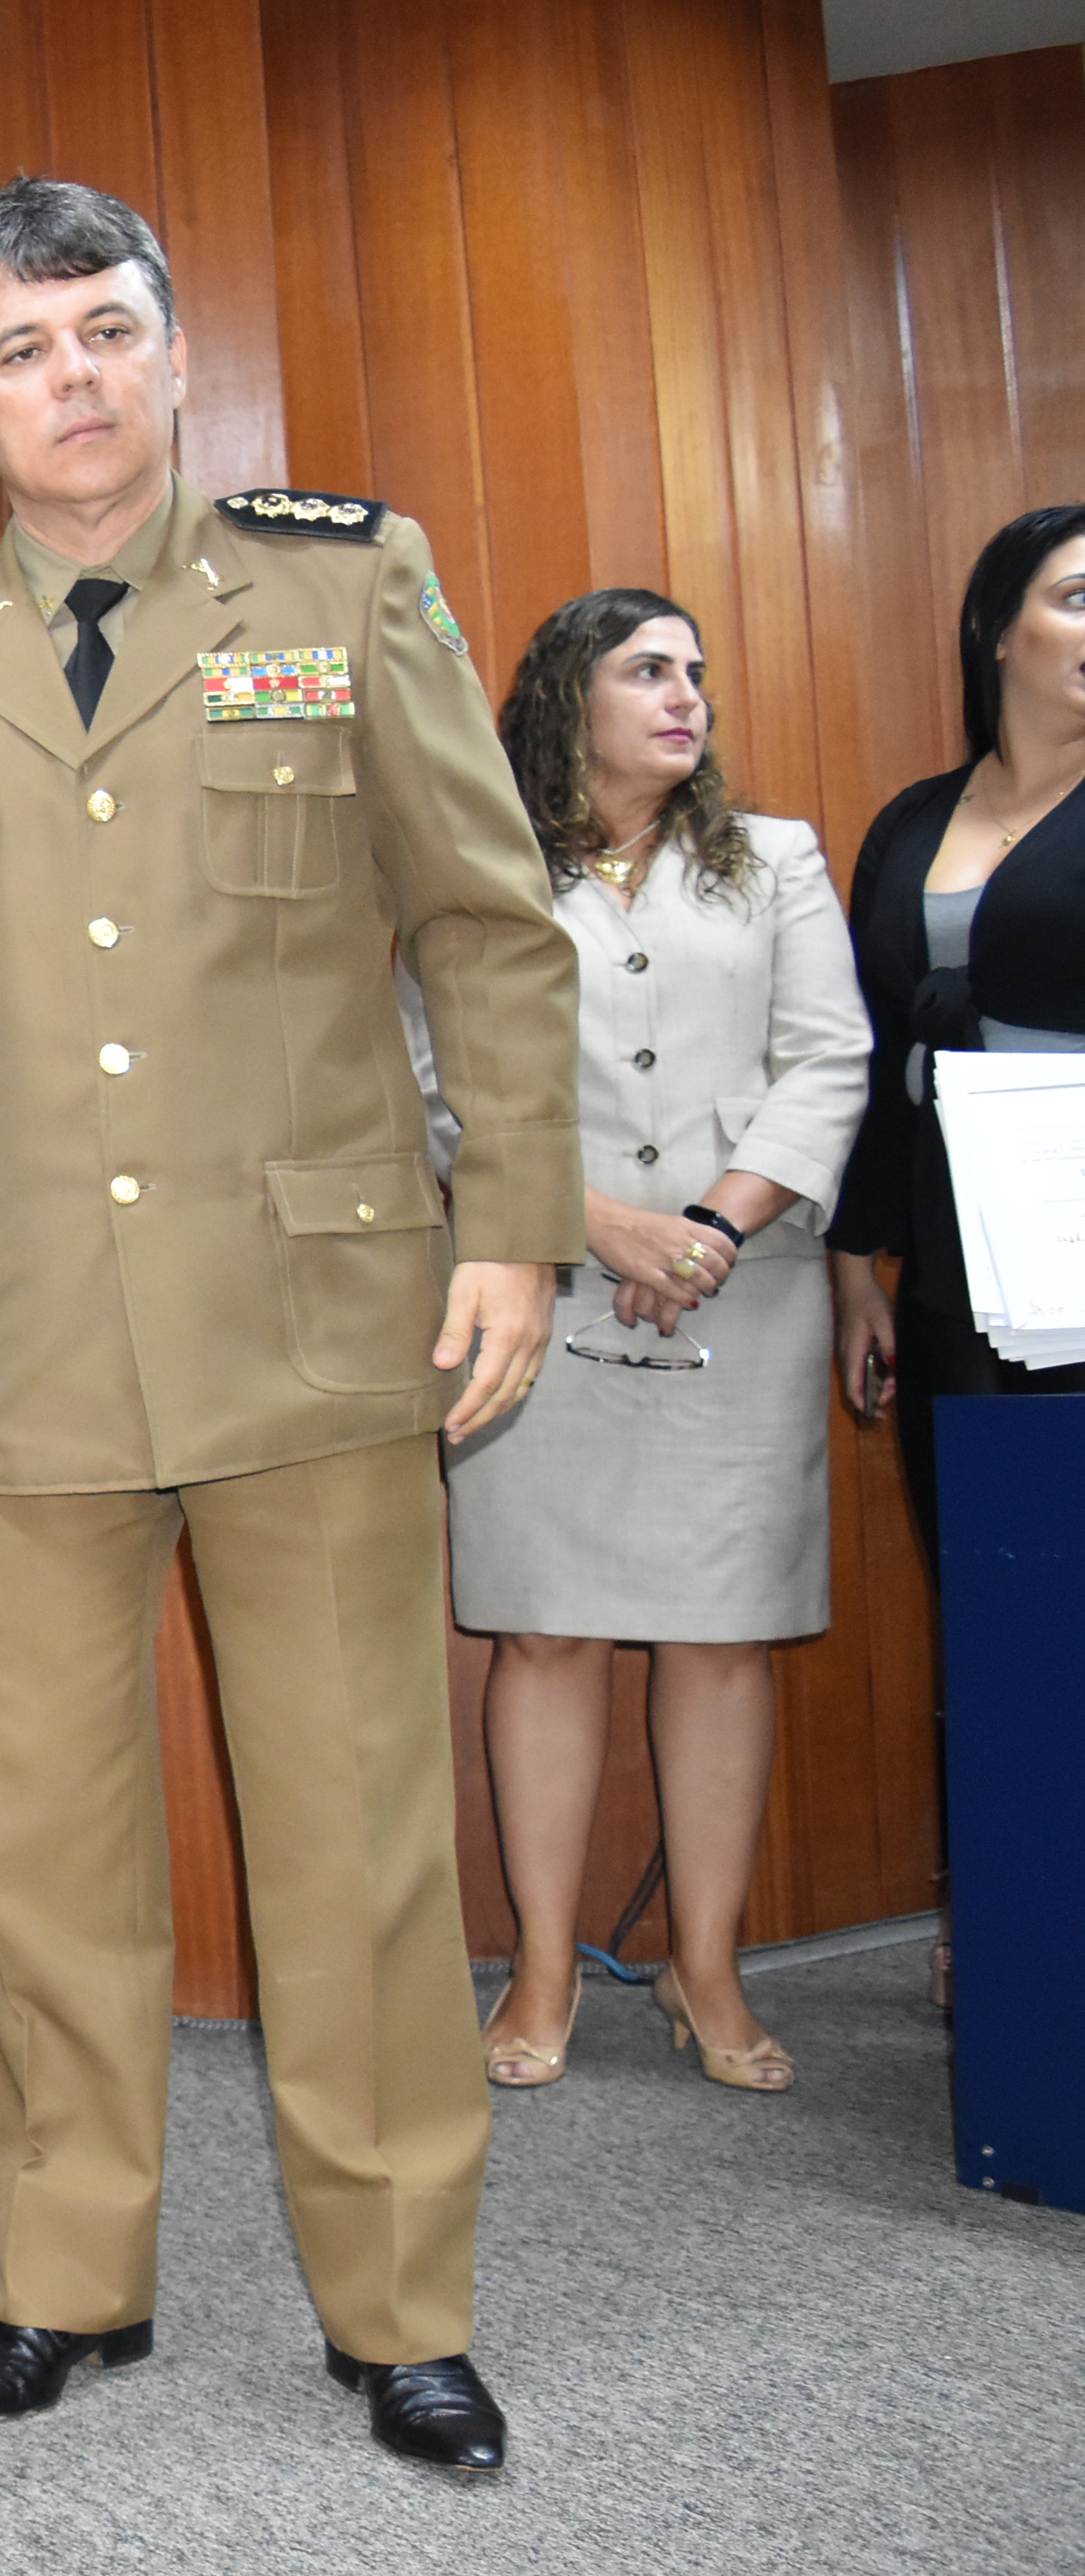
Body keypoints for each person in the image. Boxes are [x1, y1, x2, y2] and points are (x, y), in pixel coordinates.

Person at [0, 177, 581, 2475]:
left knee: (353, 1841)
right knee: (50, 1846)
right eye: (25, 349)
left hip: (315, 1318)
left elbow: (490, 919)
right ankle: (66, 2279)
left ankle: (400, 2302)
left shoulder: (343, 583)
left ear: (172, 354)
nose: (74, 378)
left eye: (109, 331)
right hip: (26, 1338)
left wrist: (515, 1225)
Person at [447, 592, 867, 2098]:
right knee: (542, 1629)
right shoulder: (477, 865)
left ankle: (709, 1972)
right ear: (569, 694)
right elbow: (433, 1089)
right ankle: (544, 1969)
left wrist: (708, 1225)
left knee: (722, 1635)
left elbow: (827, 1061)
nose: (684, 694)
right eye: (647, 670)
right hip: (537, 1286)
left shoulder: (776, 863)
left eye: (695, 669)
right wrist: (601, 1224)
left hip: (739, 1294)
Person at [830, 504, 1085, 1571]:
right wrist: (852, 1272)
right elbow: (875, 1053)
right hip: (953, 1272)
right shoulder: (911, 820)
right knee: (1003, 1613)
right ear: (994, 626)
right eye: (1076, 600)